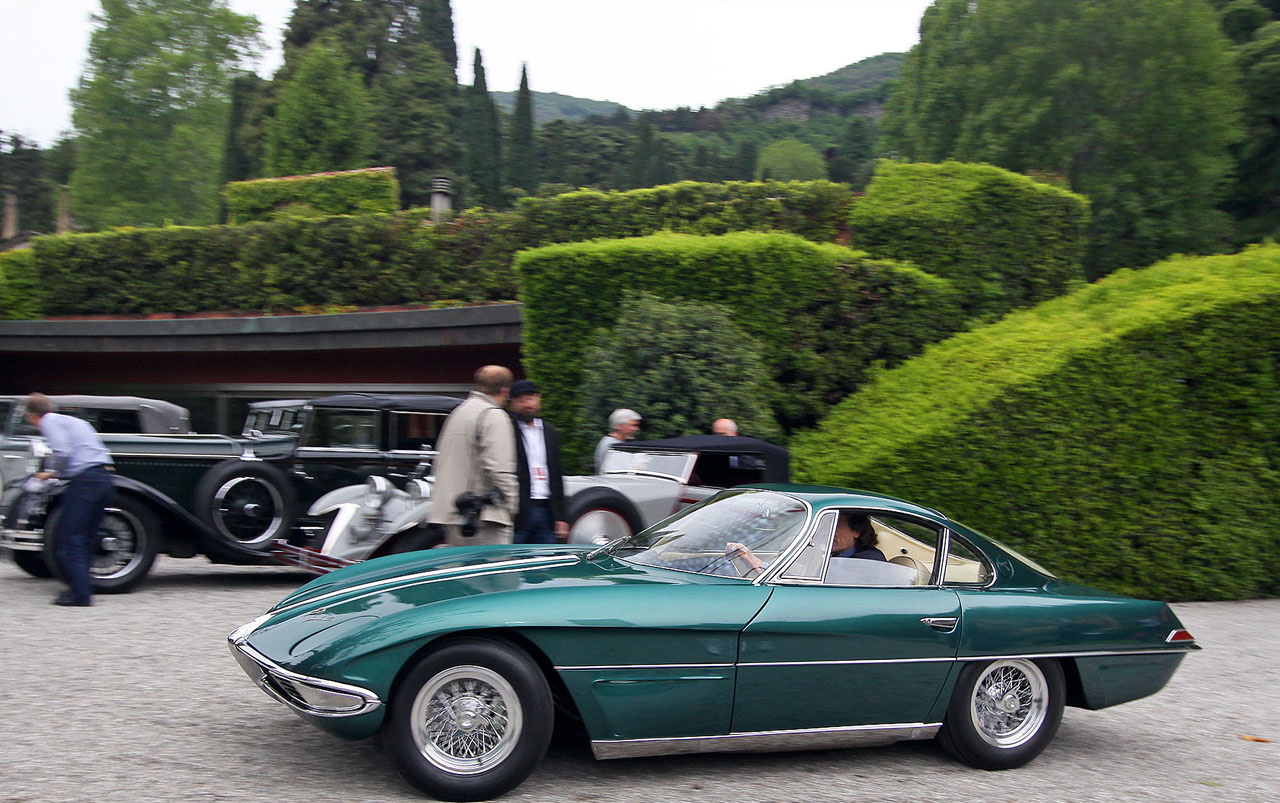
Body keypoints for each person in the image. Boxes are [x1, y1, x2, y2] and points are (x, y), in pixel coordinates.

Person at [25, 393, 116, 606]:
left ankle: (79, 594)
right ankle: (81, 588)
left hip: (84, 481)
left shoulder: (49, 422)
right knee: (87, 538)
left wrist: (51, 473)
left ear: (32, 416)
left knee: (71, 538)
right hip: (104, 478)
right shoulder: (77, 422)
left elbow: (63, 452)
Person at [429, 366, 520, 546]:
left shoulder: (459, 412)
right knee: (496, 564)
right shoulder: (493, 415)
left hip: (453, 511)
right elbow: (500, 468)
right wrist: (512, 506)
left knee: (459, 563)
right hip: (482, 514)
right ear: (505, 391)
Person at [507, 380, 569, 544]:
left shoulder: (550, 432)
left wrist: (561, 516)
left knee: (546, 557)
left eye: (530, 398)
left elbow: (556, 475)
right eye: (520, 400)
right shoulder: (508, 430)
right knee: (514, 557)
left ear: (538, 399)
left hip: (547, 510)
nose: (527, 404)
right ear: (512, 404)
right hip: (520, 512)